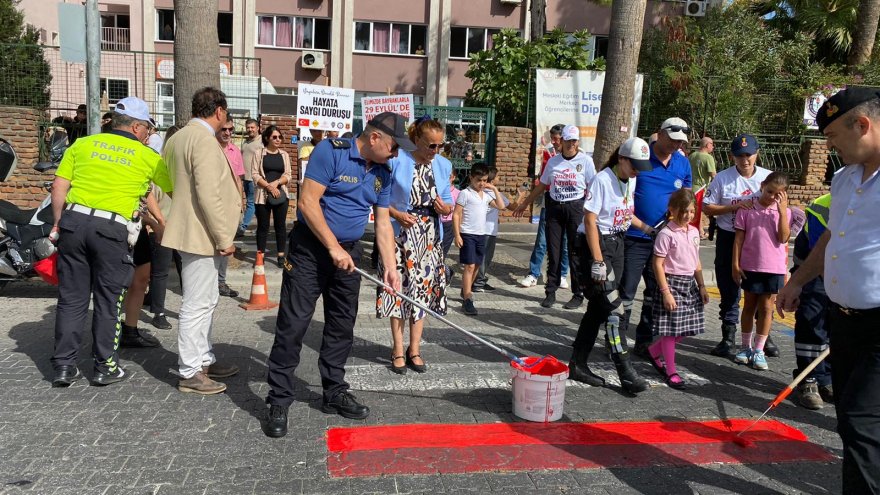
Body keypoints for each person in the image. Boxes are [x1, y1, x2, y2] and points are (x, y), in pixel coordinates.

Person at [262, 112, 407, 438]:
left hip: (348, 254)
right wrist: (332, 247)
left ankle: (334, 391)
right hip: (310, 251)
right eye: (394, 146)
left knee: (342, 325)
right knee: (293, 325)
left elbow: (383, 223)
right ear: (374, 138)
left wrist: (391, 267)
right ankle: (279, 399)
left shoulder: (383, 172)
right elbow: (307, 203)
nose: (397, 153)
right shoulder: (331, 152)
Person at [777, 87, 880, 494]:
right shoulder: (844, 179)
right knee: (851, 421)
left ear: (863, 124)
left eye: (834, 136)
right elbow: (831, 237)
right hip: (844, 322)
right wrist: (797, 281)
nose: (830, 146)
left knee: (860, 422)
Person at [49, 96, 172, 388]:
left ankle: (64, 367)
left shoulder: (83, 144)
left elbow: (59, 185)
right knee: (108, 301)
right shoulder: (147, 156)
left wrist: (57, 223)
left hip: (74, 223)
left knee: (71, 299)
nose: (148, 134)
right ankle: (105, 366)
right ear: (137, 127)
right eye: (148, 128)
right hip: (112, 230)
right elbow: (173, 188)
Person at [161, 87, 242, 395]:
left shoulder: (178, 137)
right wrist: (223, 238)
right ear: (219, 111)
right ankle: (191, 370)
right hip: (202, 233)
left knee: (206, 300)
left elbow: (169, 182)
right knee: (198, 303)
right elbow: (208, 194)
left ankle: (203, 359)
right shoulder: (204, 141)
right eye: (226, 112)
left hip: (191, 228)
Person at [570, 137, 653, 394]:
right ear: (622, 159)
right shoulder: (602, 180)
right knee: (616, 310)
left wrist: (647, 228)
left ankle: (578, 364)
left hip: (618, 244)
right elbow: (590, 220)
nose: (638, 170)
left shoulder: (631, 180)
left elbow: (625, 214)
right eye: (634, 165)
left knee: (597, 309)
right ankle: (625, 371)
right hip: (596, 245)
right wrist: (597, 261)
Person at [379, 115, 453, 374]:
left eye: (440, 145)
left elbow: (448, 201)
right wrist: (396, 214)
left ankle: (415, 349)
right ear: (417, 139)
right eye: (431, 145)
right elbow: (378, 198)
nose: (436, 150)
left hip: (429, 238)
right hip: (399, 234)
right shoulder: (397, 159)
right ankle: (398, 349)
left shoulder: (443, 165)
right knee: (398, 291)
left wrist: (445, 208)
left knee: (421, 292)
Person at [619, 118, 692, 359]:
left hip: (663, 240)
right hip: (634, 237)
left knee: (654, 294)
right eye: (672, 140)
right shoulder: (641, 157)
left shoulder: (683, 163)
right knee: (626, 292)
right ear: (659, 134)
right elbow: (624, 195)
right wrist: (646, 227)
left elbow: (686, 199)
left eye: (680, 142)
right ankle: (617, 341)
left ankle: (644, 342)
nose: (676, 145)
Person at [702, 134, 777, 359]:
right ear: (732, 157)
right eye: (739, 156)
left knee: (759, 290)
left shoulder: (766, 177)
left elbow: (780, 204)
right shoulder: (722, 178)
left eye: (749, 155)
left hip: (758, 239)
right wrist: (733, 208)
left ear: (757, 154)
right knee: (729, 287)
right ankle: (728, 336)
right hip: (729, 236)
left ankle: (763, 337)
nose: (745, 160)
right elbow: (707, 207)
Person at [513, 125, 594, 309]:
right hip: (555, 208)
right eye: (568, 140)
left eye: (574, 141)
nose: (571, 144)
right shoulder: (553, 161)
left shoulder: (585, 161)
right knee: (553, 251)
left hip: (575, 208)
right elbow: (542, 185)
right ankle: (550, 291)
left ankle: (578, 293)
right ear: (562, 141)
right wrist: (525, 203)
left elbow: (593, 186)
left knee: (575, 251)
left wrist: (591, 211)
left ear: (577, 142)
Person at [732, 172, 802, 371]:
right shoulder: (747, 209)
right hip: (750, 266)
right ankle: (745, 347)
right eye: (769, 191)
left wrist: (782, 212)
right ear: (762, 186)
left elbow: (783, 238)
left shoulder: (786, 212)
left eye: (777, 194)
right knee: (748, 306)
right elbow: (738, 240)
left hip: (774, 268)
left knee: (766, 308)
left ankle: (759, 349)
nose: (772, 197)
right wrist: (735, 265)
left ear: (784, 195)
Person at [649, 189, 709, 390]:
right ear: (672, 210)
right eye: (683, 211)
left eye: (691, 211)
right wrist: (665, 292)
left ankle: (653, 351)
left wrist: (702, 286)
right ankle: (671, 371)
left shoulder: (694, 232)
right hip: (671, 284)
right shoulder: (666, 234)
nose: (688, 215)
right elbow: (658, 264)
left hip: (689, 284)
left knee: (687, 327)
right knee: (671, 330)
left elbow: (696, 261)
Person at [790, 193, 833, 409]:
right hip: (812, 265)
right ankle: (808, 379)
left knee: (836, 322)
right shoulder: (822, 207)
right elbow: (820, 257)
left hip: (846, 267)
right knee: (811, 317)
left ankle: (827, 378)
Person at [519, 123, 571, 289]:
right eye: (552, 139)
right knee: (542, 240)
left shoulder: (578, 157)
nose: (554, 142)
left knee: (565, 242)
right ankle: (533, 273)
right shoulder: (549, 154)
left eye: (557, 139)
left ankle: (562, 274)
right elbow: (543, 180)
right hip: (550, 201)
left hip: (569, 204)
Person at [453, 163, 504, 316]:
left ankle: (466, 288)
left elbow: (501, 206)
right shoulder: (465, 193)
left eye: (484, 180)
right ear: (471, 178)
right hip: (468, 234)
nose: (481, 183)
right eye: (478, 180)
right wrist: (457, 234)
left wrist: (494, 189)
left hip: (481, 234)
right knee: (469, 266)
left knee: (476, 266)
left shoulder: (486, 195)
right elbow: (456, 214)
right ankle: (467, 298)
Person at [148, 123, 185, 331]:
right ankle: (158, 312)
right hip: (162, 225)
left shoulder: (185, 168)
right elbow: (151, 197)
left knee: (185, 269)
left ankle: (189, 308)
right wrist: (157, 222)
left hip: (182, 226)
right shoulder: (159, 166)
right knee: (160, 271)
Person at [473, 166, 521, 292]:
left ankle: (479, 280)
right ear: (493, 179)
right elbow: (510, 207)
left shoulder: (480, 192)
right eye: (498, 176)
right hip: (487, 231)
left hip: (481, 229)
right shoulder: (494, 193)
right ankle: (478, 283)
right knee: (484, 258)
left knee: (482, 257)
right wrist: (520, 196)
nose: (499, 178)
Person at [251, 125, 293, 268]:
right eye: (274, 137)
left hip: (281, 195)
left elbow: (288, 175)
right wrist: (269, 186)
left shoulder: (284, 155)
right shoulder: (259, 153)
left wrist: (277, 183)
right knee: (263, 226)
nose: (278, 139)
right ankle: (260, 255)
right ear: (267, 138)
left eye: (280, 137)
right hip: (262, 196)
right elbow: (255, 174)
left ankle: (281, 255)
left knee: (280, 226)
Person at [217, 115, 245, 297]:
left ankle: (220, 282)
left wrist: (240, 202)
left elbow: (239, 179)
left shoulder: (235, 151)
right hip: (213, 203)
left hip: (230, 206)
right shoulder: (210, 149)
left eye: (230, 129)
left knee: (226, 244)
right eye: (224, 129)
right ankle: (209, 282)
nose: (227, 133)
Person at [689, 136, 717, 238]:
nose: (713, 147)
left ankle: (699, 230)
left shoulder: (692, 155)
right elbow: (713, 175)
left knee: (694, 210)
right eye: (712, 144)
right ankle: (699, 231)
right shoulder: (708, 158)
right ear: (707, 145)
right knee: (698, 211)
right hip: (701, 188)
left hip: (690, 186)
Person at [238, 118, 262, 236]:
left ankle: (242, 227)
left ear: (258, 128)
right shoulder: (246, 142)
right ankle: (262, 227)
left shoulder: (261, 142)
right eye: (248, 127)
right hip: (246, 178)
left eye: (252, 127)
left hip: (254, 178)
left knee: (250, 203)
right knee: (254, 204)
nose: (250, 129)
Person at [440, 168, 461, 261]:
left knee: (443, 248)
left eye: (449, 177)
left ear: (453, 178)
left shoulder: (458, 193)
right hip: (437, 222)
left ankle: (441, 265)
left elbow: (460, 212)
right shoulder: (437, 190)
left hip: (449, 223)